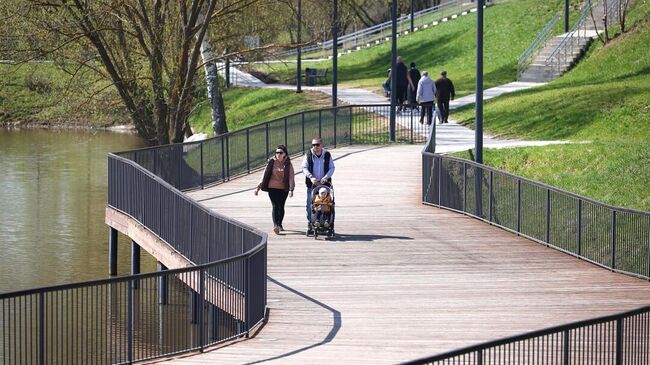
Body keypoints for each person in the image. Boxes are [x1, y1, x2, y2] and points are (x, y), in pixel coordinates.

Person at [255, 144, 295, 234]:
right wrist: (258, 187)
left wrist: (291, 189)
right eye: (277, 153)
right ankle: (275, 225)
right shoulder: (271, 162)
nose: (278, 154)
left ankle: (280, 224)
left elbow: (291, 177)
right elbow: (264, 175)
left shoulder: (288, 163)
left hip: (284, 188)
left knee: (281, 206)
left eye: (280, 153)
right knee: (275, 206)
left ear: (285, 154)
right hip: (272, 187)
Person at [301, 137, 335, 234]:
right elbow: (304, 167)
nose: (315, 147)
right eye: (313, 145)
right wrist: (311, 177)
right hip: (312, 184)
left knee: (326, 203)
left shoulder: (327, 155)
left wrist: (326, 177)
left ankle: (326, 221)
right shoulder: (308, 155)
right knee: (310, 204)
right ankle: (311, 221)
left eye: (317, 145)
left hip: (324, 184)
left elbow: (332, 168)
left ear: (321, 145)